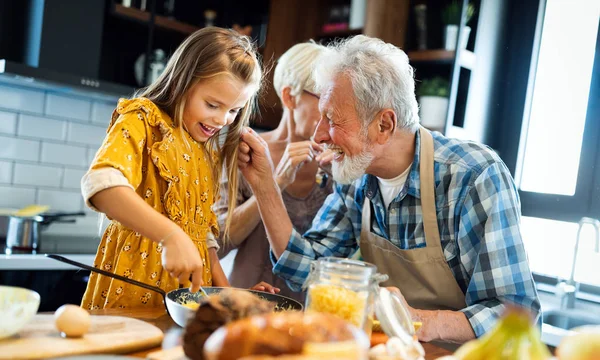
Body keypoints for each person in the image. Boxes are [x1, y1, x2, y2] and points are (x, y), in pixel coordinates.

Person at [237, 35, 540, 343]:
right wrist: (264, 185)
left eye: (332, 119)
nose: (319, 134)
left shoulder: (473, 176)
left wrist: (419, 321)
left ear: (384, 125)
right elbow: (308, 270)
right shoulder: (357, 176)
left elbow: (516, 315)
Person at [80, 27, 274, 310]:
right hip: (132, 294)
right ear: (183, 82)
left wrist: (231, 297)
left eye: (234, 111)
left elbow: (202, 240)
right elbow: (100, 184)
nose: (222, 120)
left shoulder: (203, 149)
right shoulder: (142, 119)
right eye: (212, 104)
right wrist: (170, 236)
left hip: (186, 306)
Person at [215, 42, 333, 303]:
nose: (332, 111)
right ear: (290, 96)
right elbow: (216, 246)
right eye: (324, 98)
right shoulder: (246, 152)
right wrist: (273, 183)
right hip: (247, 307)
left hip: (311, 316)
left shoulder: (338, 165)